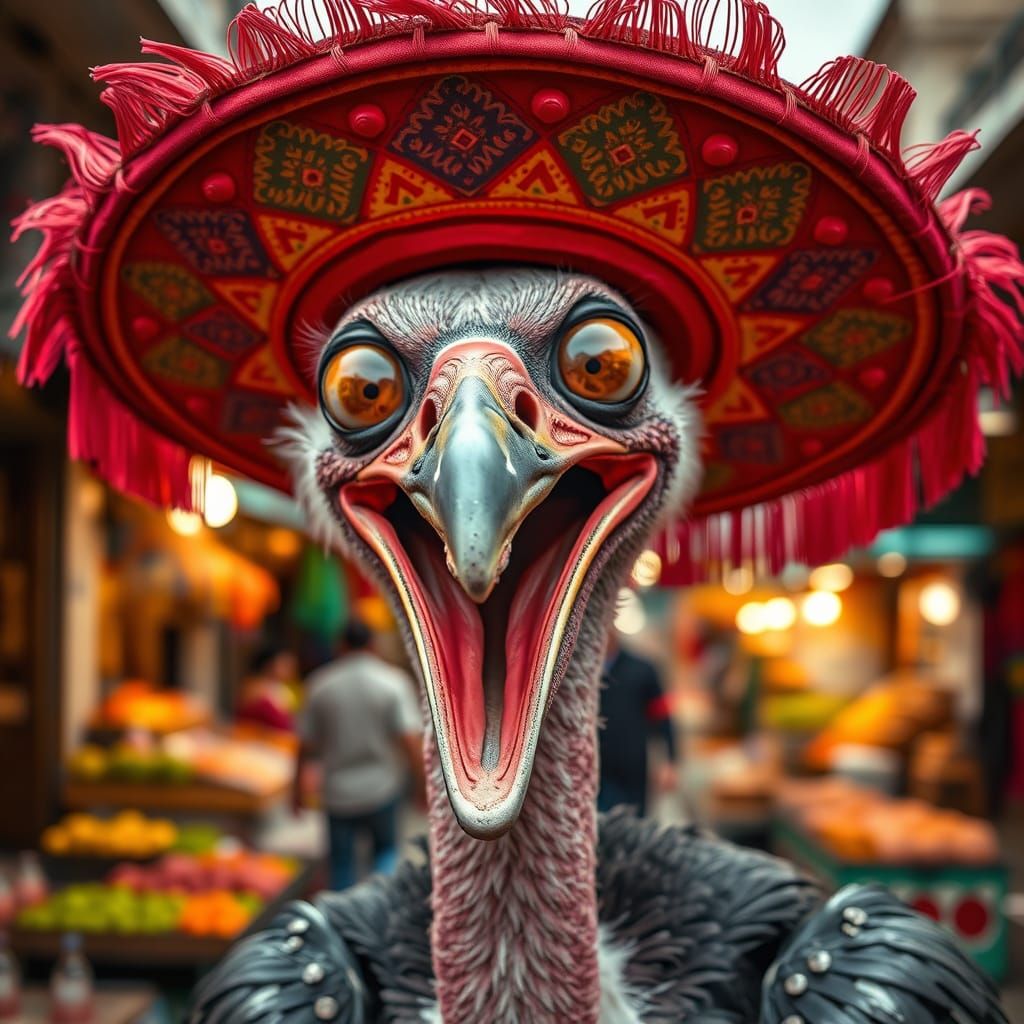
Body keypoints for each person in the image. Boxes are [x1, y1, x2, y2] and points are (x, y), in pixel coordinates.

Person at [294, 620, 423, 890]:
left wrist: (296, 791)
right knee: (386, 853)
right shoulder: (392, 682)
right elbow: (409, 741)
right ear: (372, 645)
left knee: (341, 864)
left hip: (337, 792)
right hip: (383, 788)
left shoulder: (320, 684)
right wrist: (423, 786)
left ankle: (342, 923)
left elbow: (305, 745)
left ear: (340, 646)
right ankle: (381, 911)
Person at [598, 641, 679, 818]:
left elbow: (663, 716)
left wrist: (670, 760)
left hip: (632, 766)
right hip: (595, 765)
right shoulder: (581, 671)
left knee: (635, 824)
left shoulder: (642, 669)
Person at [236, 645, 298, 733]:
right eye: (285, 664)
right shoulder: (254, 688)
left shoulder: (281, 689)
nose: (290, 669)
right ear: (268, 664)